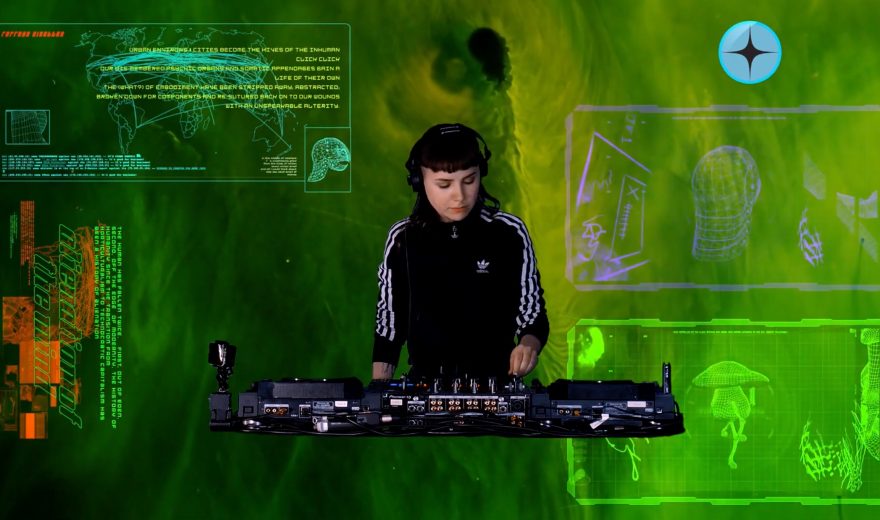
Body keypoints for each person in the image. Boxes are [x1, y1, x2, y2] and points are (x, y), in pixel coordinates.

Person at [371, 123, 549, 382]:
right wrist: (379, 393)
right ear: (419, 181)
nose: (460, 196)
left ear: (481, 175)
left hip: (496, 383)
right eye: (444, 184)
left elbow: (532, 313)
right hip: (424, 385)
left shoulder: (509, 232)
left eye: (469, 180)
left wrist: (528, 346)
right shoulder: (403, 238)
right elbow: (389, 324)